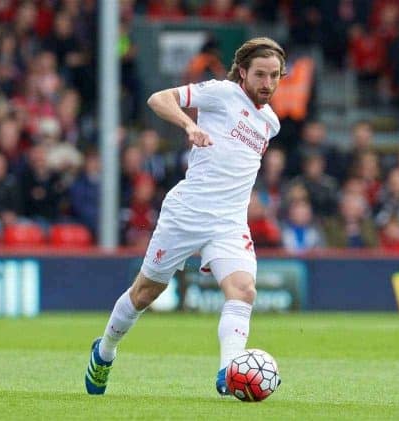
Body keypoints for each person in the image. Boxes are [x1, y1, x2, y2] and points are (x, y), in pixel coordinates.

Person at [84, 37, 285, 396]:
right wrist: (189, 126)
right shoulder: (221, 93)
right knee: (146, 292)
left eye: (274, 76)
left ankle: (229, 372)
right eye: (260, 75)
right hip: (188, 213)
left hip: (229, 223)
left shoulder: (270, 122)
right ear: (243, 72)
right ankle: (104, 353)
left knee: (243, 290)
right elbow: (159, 99)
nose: (267, 84)